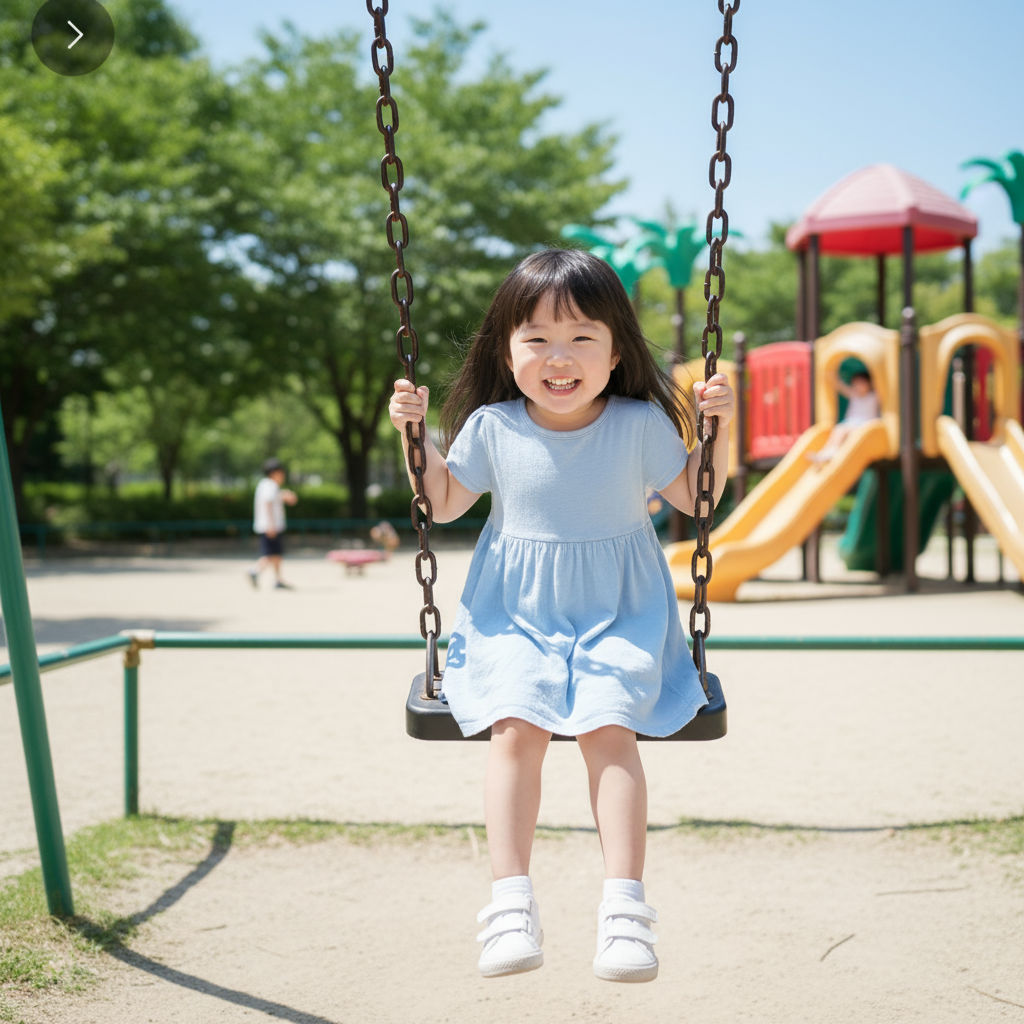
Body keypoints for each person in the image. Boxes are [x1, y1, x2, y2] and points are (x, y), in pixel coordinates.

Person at [388, 249, 734, 983]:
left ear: (616, 353)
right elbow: (442, 504)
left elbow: (697, 499)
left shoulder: (638, 424)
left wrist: (716, 428)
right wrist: (414, 435)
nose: (559, 357)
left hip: (620, 613)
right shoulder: (492, 426)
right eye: (537, 339)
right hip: (516, 615)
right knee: (515, 726)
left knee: (610, 727)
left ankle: (625, 912)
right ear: (506, 351)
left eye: (581, 337)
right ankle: (510, 905)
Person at [807, 368, 880, 462]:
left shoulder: (873, 397)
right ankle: (826, 452)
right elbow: (840, 386)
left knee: (842, 430)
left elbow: (881, 387)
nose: (858, 387)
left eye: (861, 384)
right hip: (852, 424)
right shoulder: (854, 395)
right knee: (838, 429)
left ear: (869, 384)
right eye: (856, 384)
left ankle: (831, 451)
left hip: (866, 426)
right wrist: (829, 376)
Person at [248, 458, 298, 589]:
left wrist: (284, 495)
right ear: (275, 472)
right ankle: (254, 571)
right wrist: (270, 524)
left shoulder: (268, 485)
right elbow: (267, 503)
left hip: (271, 526)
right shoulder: (269, 485)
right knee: (270, 554)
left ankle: (278, 580)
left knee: (276, 555)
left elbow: (274, 497)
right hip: (270, 527)